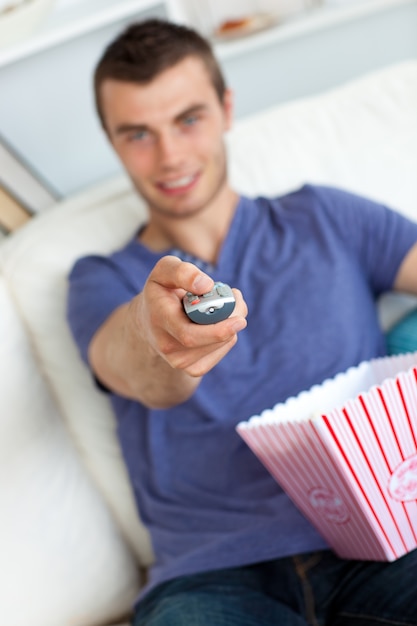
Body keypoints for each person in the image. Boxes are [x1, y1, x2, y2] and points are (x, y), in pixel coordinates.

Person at [67, 18, 417, 626]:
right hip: (213, 578)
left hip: (384, 544)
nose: (170, 155)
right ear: (112, 142)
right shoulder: (103, 279)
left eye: (189, 119)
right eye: (138, 134)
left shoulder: (325, 217)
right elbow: (140, 373)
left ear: (227, 109)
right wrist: (160, 336)